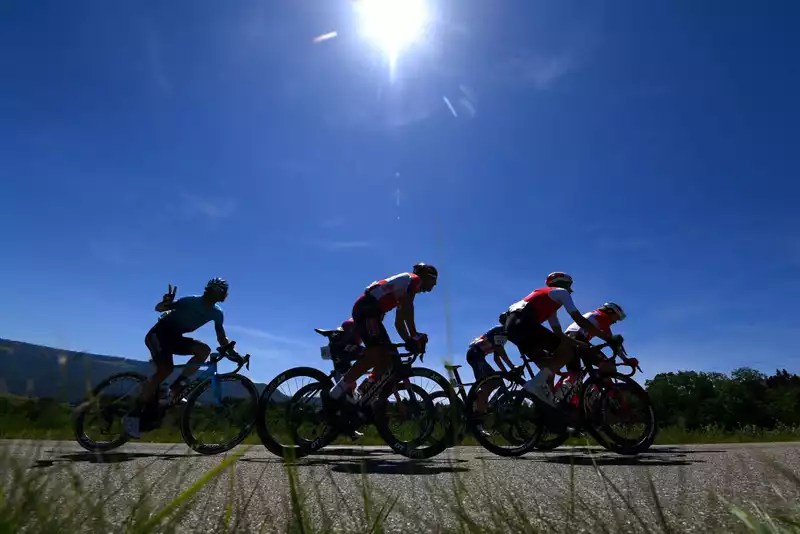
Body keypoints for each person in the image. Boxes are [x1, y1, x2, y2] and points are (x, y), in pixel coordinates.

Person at [122, 278, 233, 439]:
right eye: (213, 290)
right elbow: (159, 308)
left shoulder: (217, 313)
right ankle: (131, 416)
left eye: (219, 291)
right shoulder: (190, 301)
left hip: (174, 339)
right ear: (207, 291)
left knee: (203, 350)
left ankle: (174, 390)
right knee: (166, 369)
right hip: (157, 335)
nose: (215, 293)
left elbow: (221, 338)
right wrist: (166, 302)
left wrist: (233, 353)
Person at [502, 272, 622, 407]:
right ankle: (536, 386)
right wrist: (606, 338)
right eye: (569, 285)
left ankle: (546, 405)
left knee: (547, 364)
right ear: (562, 283)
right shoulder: (561, 292)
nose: (571, 290)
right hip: (526, 324)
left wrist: (578, 343)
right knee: (567, 353)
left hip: (512, 329)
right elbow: (579, 319)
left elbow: (559, 333)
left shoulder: (547, 303)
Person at [328, 263, 438, 404]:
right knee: (375, 353)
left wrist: (409, 340)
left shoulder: (404, 289)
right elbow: (408, 310)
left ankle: (362, 393)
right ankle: (337, 393)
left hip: (371, 312)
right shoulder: (414, 279)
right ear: (428, 276)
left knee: (387, 358)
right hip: (368, 309)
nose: (431, 288)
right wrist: (414, 334)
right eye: (433, 283)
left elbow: (399, 322)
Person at [466, 315, 515, 414]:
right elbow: (500, 351)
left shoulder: (503, 335)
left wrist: (506, 373)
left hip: (477, 356)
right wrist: (512, 367)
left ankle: (478, 402)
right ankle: (478, 412)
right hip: (475, 355)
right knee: (490, 382)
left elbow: (496, 359)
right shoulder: (501, 331)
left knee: (496, 382)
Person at [565, 302, 626, 376]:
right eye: (616, 317)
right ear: (610, 312)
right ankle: (599, 385)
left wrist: (624, 358)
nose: (615, 321)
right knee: (609, 367)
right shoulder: (602, 317)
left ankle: (569, 382)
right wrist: (626, 360)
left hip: (570, 338)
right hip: (577, 338)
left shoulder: (598, 316)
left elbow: (611, 342)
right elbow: (612, 342)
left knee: (575, 374)